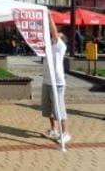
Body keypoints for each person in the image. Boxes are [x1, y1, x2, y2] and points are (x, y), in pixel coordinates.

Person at [42, 13, 71, 143]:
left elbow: (53, 31)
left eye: (59, 35)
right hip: (47, 81)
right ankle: (54, 129)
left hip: (57, 82)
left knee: (59, 108)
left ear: (62, 39)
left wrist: (49, 17)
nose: (55, 35)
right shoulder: (50, 47)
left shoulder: (60, 47)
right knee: (49, 109)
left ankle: (65, 132)